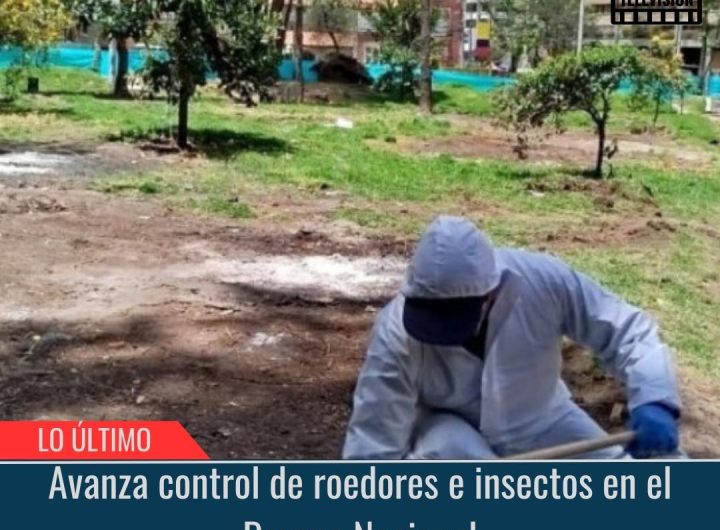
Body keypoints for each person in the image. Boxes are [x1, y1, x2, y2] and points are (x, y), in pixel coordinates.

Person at [343, 215, 681, 460]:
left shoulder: (543, 282)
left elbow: (628, 331)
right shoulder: (395, 331)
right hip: (448, 436)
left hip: (542, 422)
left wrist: (655, 399)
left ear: (491, 295)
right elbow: (374, 438)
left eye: (454, 318)